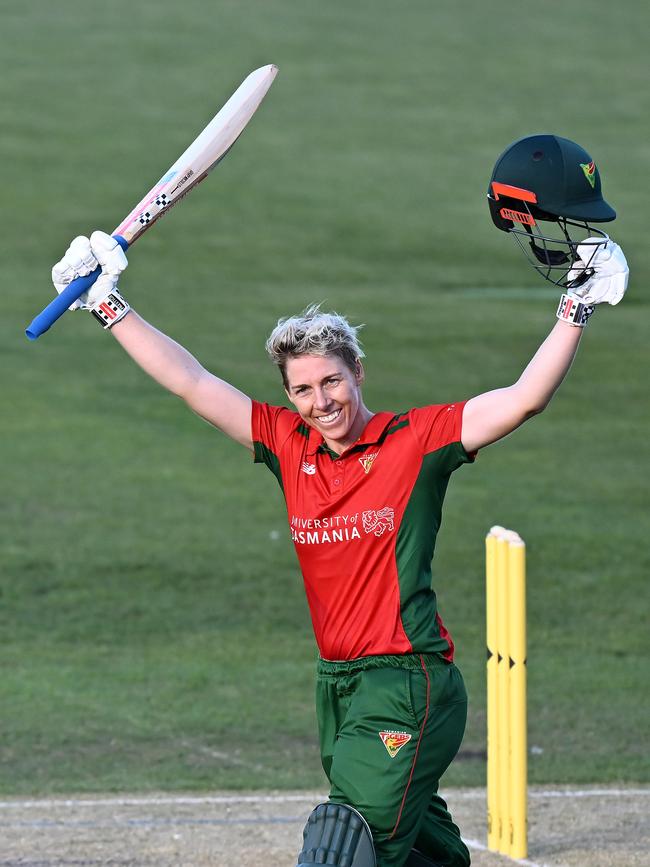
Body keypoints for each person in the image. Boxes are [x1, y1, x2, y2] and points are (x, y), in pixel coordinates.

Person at [49, 135, 628, 867]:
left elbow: (522, 400)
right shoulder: (287, 447)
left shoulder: (416, 442)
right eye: (302, 390)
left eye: (332, 382)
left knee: (340, 846)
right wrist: (108, 303)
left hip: (407, 679)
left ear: (357, 372)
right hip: (341, 688)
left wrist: (575, 309)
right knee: (421, 855)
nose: (320, 401)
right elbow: (193, 382)